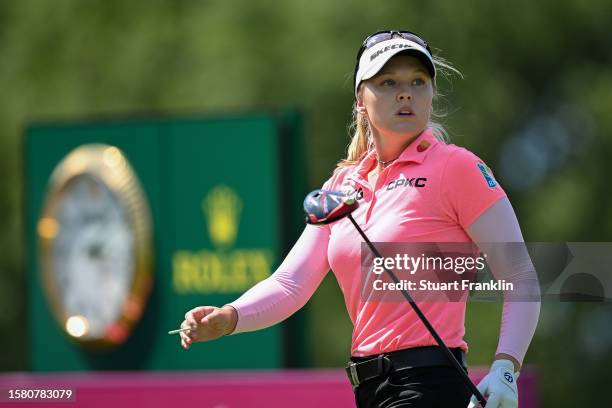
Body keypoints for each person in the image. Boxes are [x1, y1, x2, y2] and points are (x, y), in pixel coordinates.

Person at [179, 30, 540, 408]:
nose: (405, 93)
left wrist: (506, 367)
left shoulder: (457, 167)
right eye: (388, 82)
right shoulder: (341, 185)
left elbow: (520, 276)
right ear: (360, 101)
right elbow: (290, 283)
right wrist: (230, 316)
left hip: (430, 384)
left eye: (418, 82)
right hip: (368, 388)